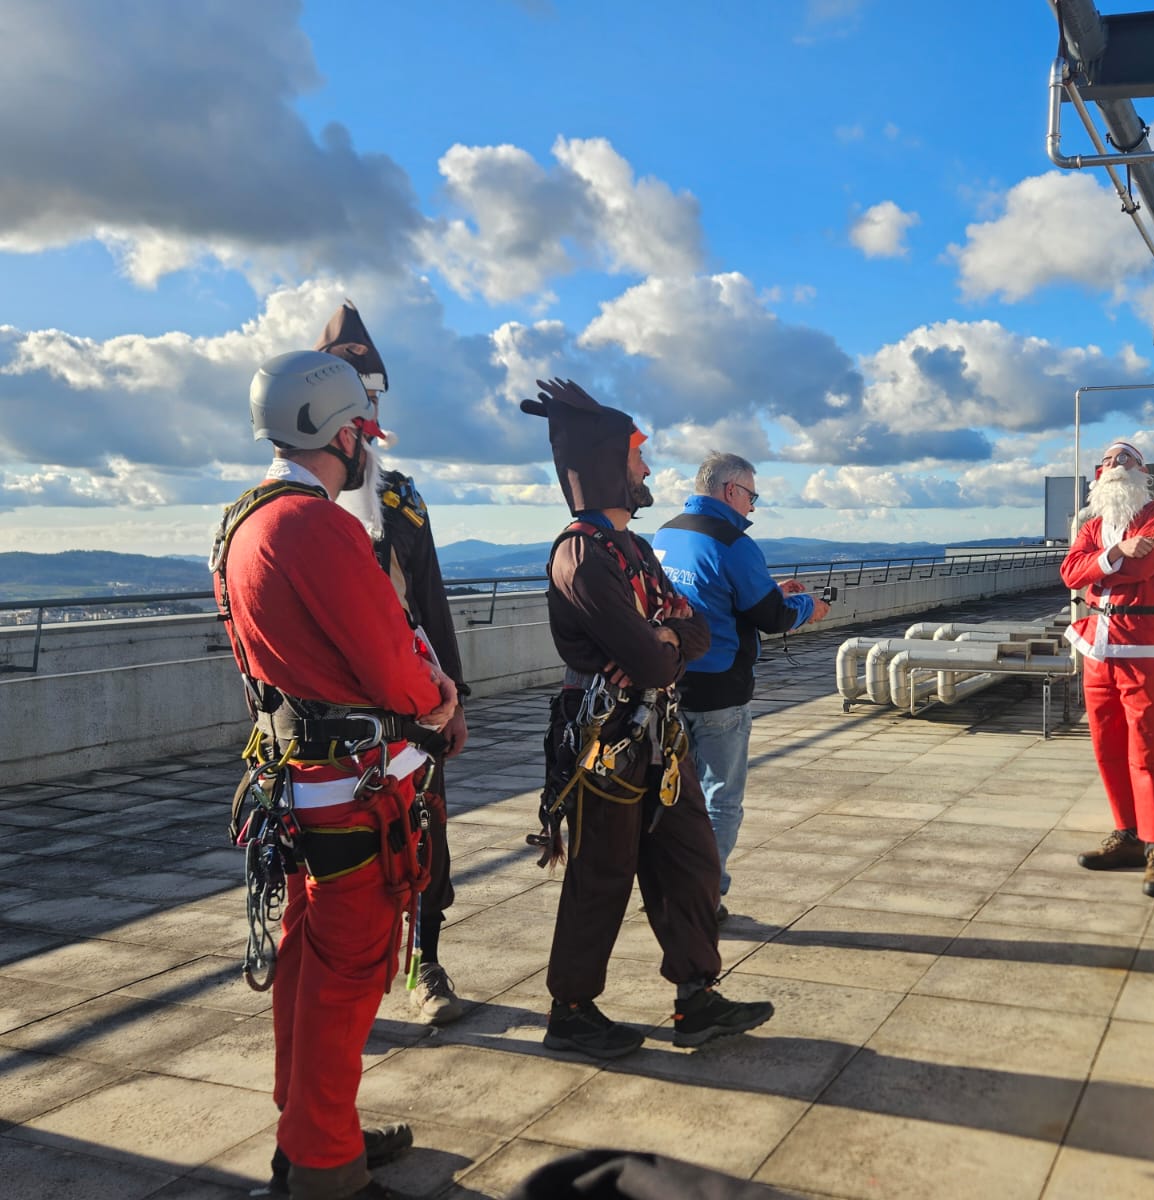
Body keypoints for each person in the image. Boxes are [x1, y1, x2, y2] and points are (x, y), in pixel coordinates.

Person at [211, 350, 459, 1199]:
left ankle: (309, 1128)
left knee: (307, 964)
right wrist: (440, 699)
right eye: (360, 432)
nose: (366, 448)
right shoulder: (318, 527)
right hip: (353, 791)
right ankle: (323, 1166)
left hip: (300, 784)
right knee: (348, 976)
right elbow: (394, 664)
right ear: (341, 432)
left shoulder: (242, 522)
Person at [522, 379, 775, 1060]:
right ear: (607, 464)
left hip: (660, 739)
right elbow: (662, 656)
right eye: (638, 457)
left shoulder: (629, 549)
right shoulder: (581, 554)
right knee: (601, 875)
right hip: (608, 745)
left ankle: (696, 997)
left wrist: (662, 639)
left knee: (690, 861)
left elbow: (690, 634)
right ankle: (571, 1010)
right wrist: (660, 641)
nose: (647, 470)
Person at [316, 300, 469, 1026]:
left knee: (424, 836)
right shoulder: (293, 505)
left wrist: (451, 697)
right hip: (324, 717)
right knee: (327, 857)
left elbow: (430, 599)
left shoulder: (399, 499)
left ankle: (425, 964)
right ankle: (336, 993)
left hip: (407, 704)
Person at [650, 451, 829, 915]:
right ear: (731, 491)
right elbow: (770, 618)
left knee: (670, 794)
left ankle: (669, 886)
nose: (753, 506)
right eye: (752, 495)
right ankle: (705, 895)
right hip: (720, 691)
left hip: (668, 684)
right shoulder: (735, 542)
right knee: (720, 800)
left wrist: (770, 588)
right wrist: (809, 606)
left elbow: (710, 592)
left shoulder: (666, 532)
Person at [1060, 440, 1154, 898]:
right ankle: (1128, 833)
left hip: (1139, 643)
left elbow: (1146, 565)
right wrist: (1117, 554)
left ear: (1143, 471)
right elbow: (1070, 574)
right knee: (1107, 745)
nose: (1117, 464)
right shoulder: (1093, 525)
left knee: (1150, 748)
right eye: (1110, 460)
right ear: (1099, 472)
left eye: (1127, 459)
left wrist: (1101, 567)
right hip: (1096, 645)